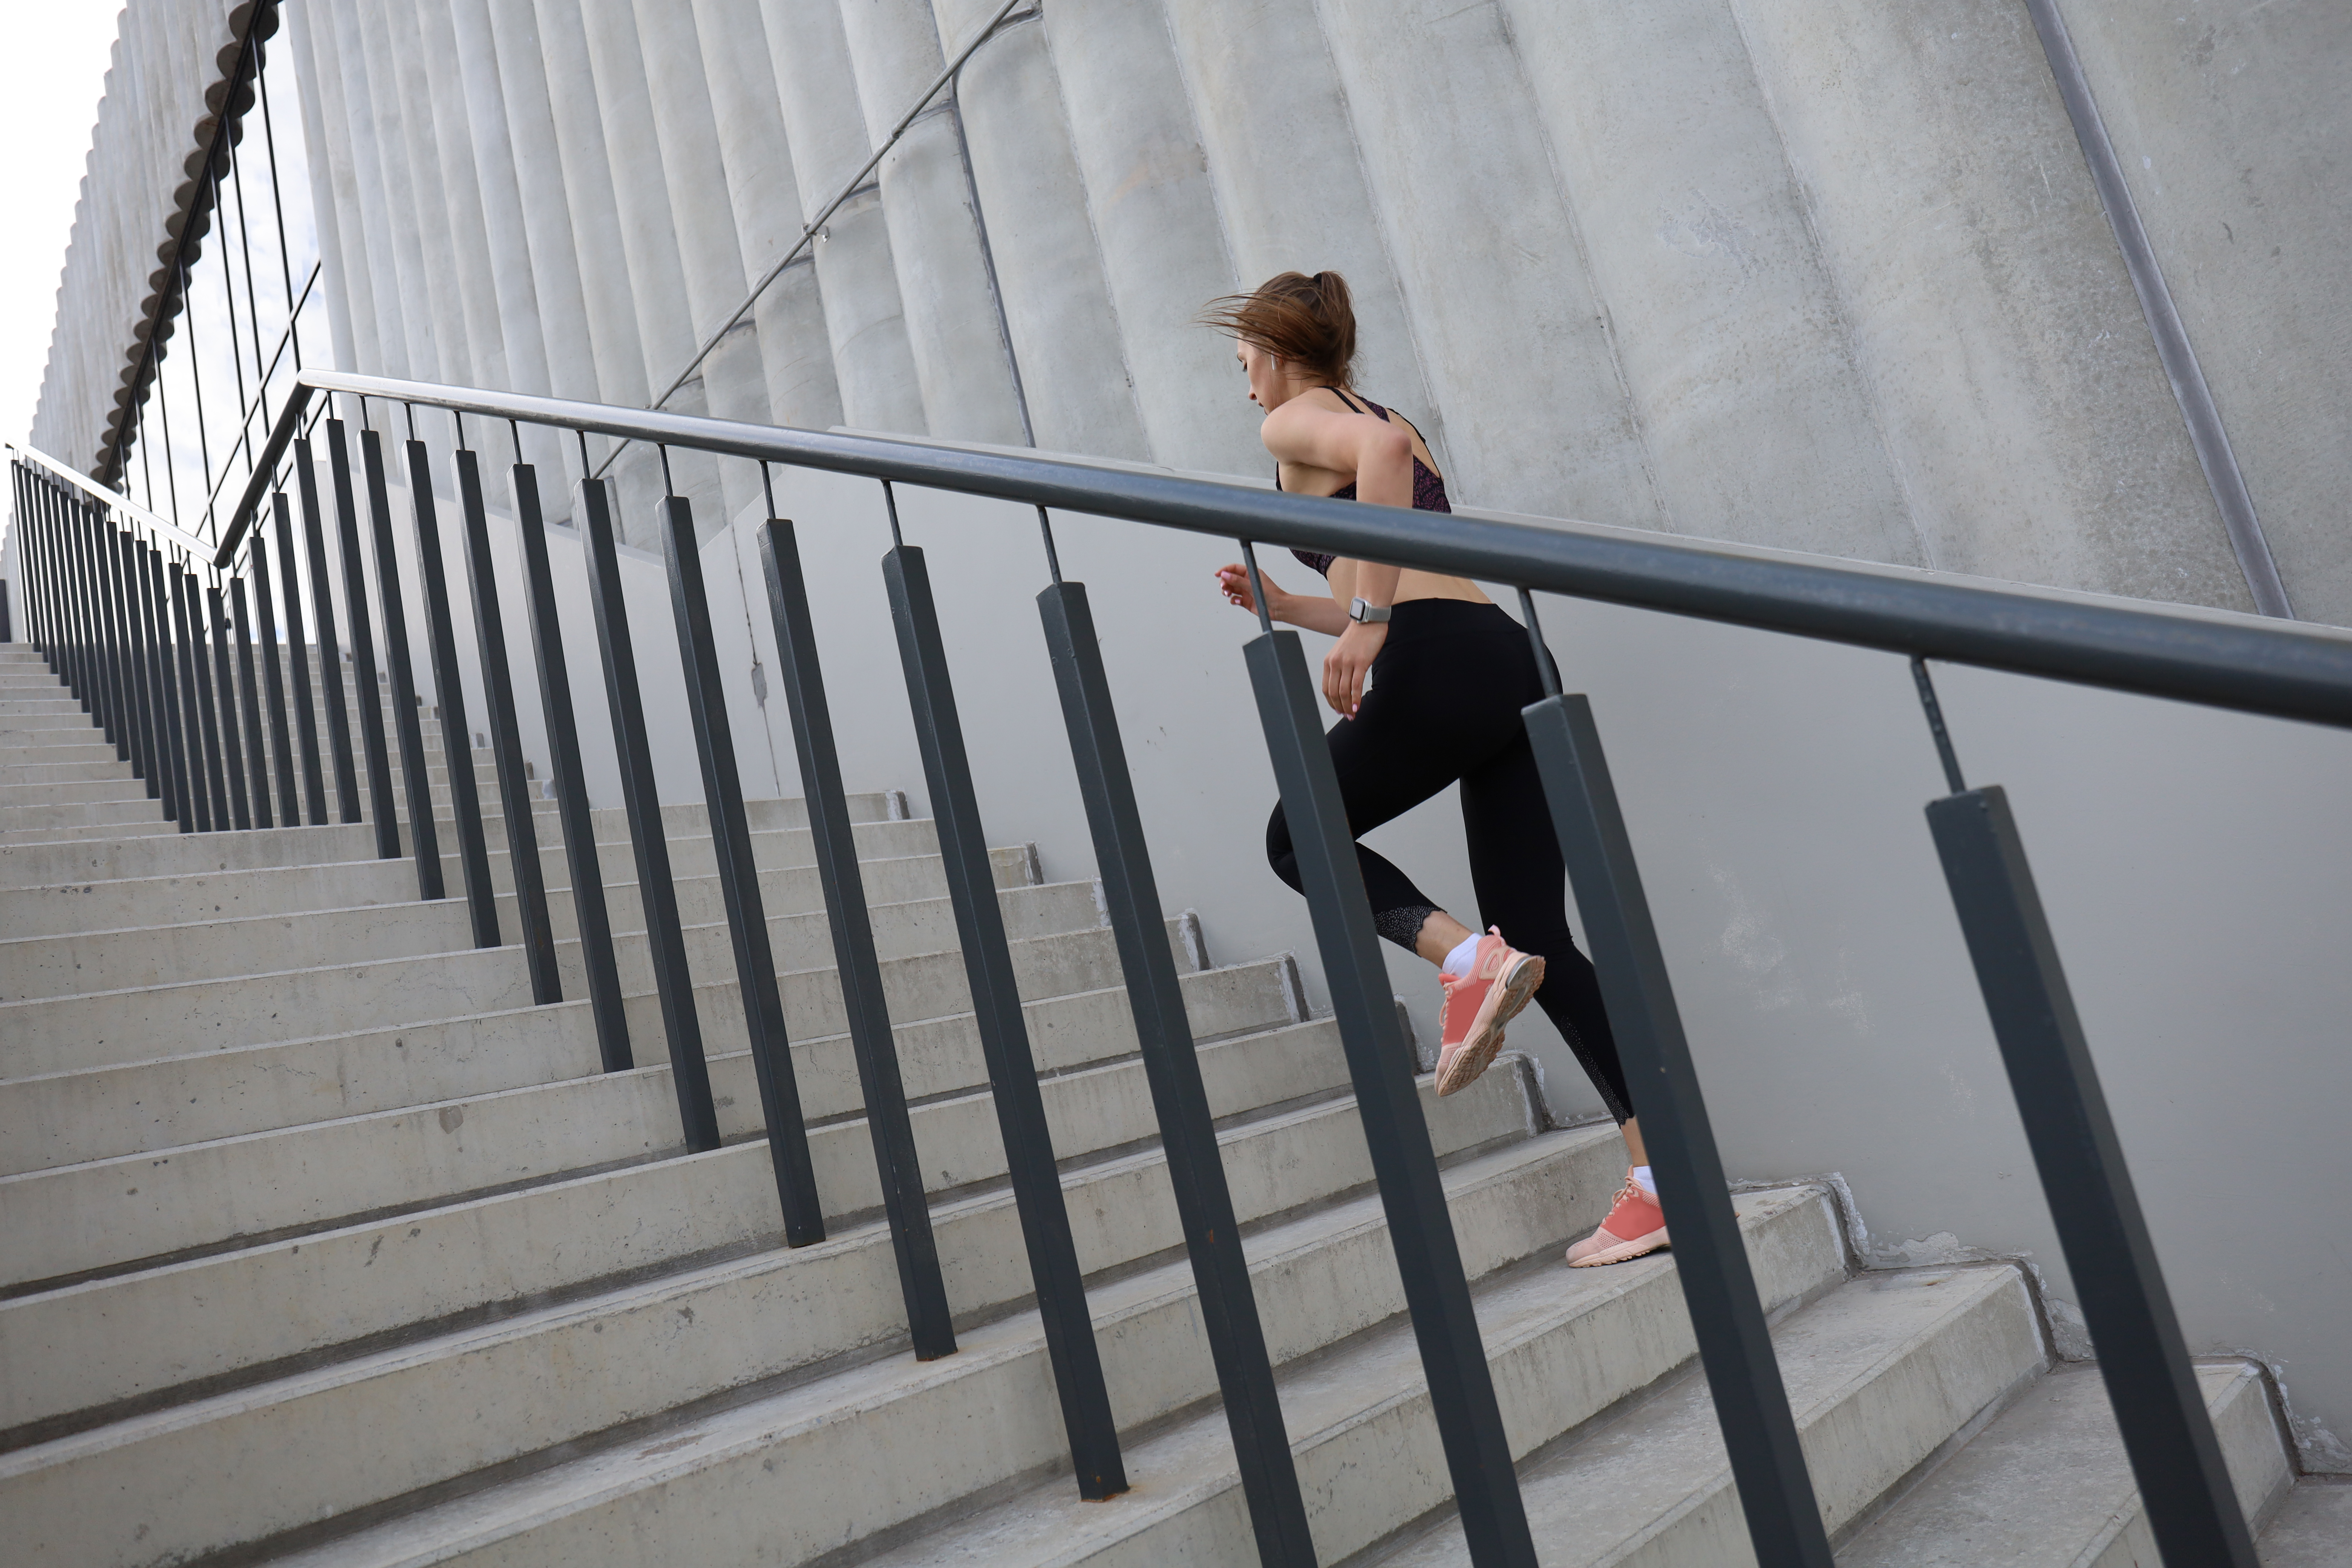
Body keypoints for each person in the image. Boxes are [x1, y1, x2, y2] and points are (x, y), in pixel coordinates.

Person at [1202, 270, 1666, 1267]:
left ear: (1278, 352)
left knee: (1299, 838)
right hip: (1500, 652)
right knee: (1545, 934)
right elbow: (1422, 567)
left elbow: (1385, 513)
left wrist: (1364, 627)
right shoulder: (1380, 407)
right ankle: (1659, 1175)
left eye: (1246, 363)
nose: (1247, 387)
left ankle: (1466, 962)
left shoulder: (1301, 426)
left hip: (1436, 656)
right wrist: (1297, 605)